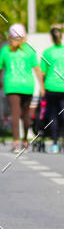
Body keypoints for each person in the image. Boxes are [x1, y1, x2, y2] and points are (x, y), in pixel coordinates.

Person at [0, 23, 44, 152]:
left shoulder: (5, 50)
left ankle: (16, 142)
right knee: (26, 113)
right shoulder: (29, 50)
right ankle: (25, 140)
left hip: (11, 85)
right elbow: (37, 69)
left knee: (15, 113)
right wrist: (42, 86)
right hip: (27, 85)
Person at [41, 24, 64, 152]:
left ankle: (55, 144)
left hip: (51, 87)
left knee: (53, 116)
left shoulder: (47, 52)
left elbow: (43, 72)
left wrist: (42, 87)